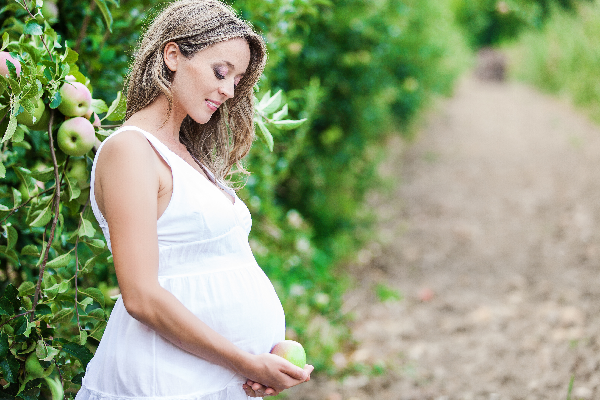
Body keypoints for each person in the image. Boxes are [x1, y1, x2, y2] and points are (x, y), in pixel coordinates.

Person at [75, 1, 313, 399]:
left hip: (212, 377)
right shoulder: (131, 152)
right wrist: (247, 362)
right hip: (163, 382)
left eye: (237, 80)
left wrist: (255, 361)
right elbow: (141, 297)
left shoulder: (184, 153)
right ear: (173, 55)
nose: (228, 89)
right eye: (221, 72)